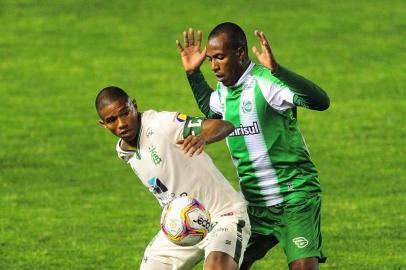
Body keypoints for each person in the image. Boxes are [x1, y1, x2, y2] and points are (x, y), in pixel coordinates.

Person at [176, 22, 330, 270]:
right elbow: (212, 109)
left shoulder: (266, 82)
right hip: (254, 206)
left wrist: (279, 71)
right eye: (210, 60)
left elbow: (321, 102)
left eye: (220, 58)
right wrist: (194, 75)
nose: (214, 66)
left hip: (294, 198)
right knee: (223, 264)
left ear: (240, 53)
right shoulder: (224, 90)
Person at [95, 86, 251, 270]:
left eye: (125, 113)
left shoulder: (162, 123)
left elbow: (224, 125)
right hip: (180, 226)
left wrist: (202, 137)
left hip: (223, 215)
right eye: (112, 120)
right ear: (103, 124)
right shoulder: (123, 151)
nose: (121, 123)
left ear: (134, 106)